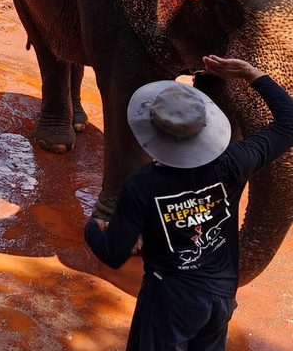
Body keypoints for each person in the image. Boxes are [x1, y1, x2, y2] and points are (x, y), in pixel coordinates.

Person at [85, 55, 293, 350]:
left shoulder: (143, 186)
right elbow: (288, 123)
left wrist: (92, 228)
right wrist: (252, 74)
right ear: (206, 125)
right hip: (220, 295)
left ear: (151, 134)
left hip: (169, 300)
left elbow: (113, 253)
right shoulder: (235, 160)